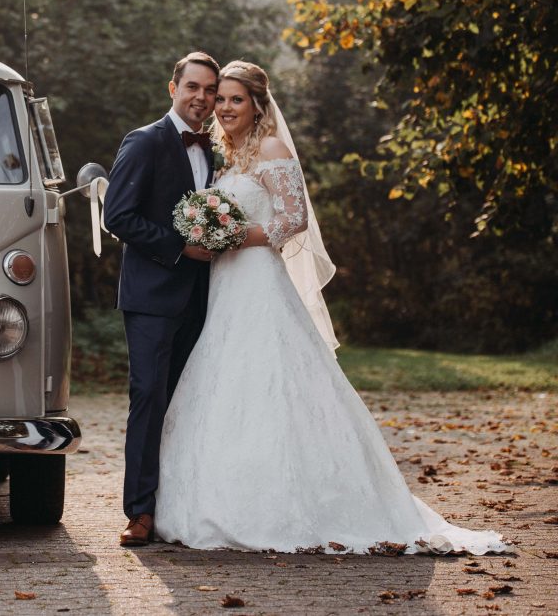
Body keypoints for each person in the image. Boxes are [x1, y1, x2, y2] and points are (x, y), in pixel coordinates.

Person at [153, 60, 508, 555]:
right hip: (224, 285)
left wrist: (231, 235)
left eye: (236, 99)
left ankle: (304, 506)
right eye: (222, 99)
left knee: (271, 379)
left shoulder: (272, 149)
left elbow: (293, 219)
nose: (225, 108)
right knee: (224, 378)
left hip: (259, 282)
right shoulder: (227, 156)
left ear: (257, 104)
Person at [103, 52, 221, 547]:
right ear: (173, 88)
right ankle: (140, 511)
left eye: (210, 90)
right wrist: (179, 247)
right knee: (149, 399)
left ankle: (180, 503)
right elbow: (117, 215)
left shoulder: (216, 150)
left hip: (203, 297)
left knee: (188, 401)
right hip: (152, 296)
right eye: (193, 87)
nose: (201, 98)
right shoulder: (145, 141)